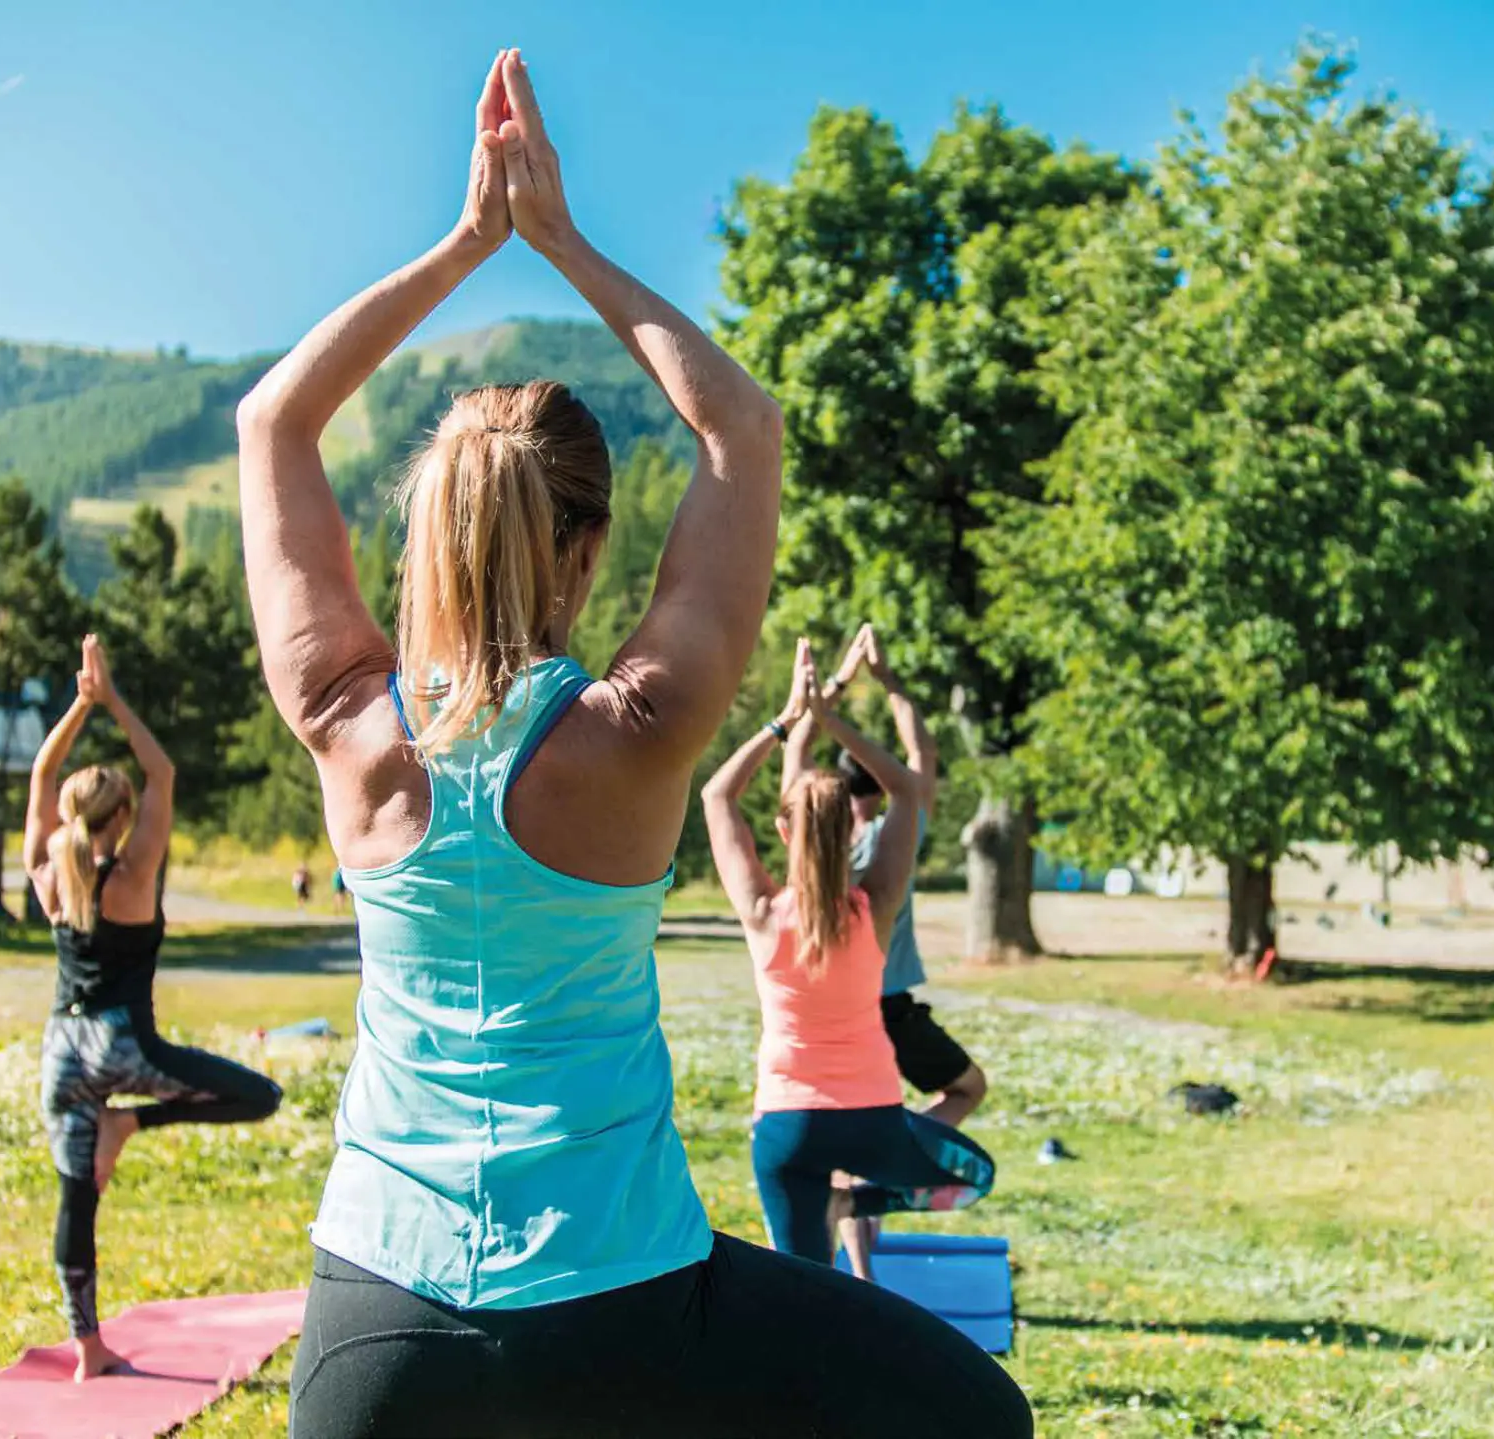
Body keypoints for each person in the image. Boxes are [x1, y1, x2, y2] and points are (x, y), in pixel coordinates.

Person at [240, 49, 1030, 1439]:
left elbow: (275, 421)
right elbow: (742, 425)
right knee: (979, 1414)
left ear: (428, 535)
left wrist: (463, 245)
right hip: (625, 1307)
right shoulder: (640, 732)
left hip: (376, 1329)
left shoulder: (347, 724)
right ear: (593, 549)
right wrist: (562, 241)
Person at [24, 637, 282, 1382]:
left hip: (58, 1051)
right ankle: (128, 1121)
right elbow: (161, 769)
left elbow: (43, 772)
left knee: (77, 1201)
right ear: (124, 815)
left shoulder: (47, 875)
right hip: (119, 1046)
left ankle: (88, 1350)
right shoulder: (134, 875)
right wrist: (111, 700)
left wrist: (78, 704)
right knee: (258, 1095)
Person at [707, 640, 997, 1282]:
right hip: (873, 1125)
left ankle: (804, 1374)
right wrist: (833, 719)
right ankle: (852, 1202)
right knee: (975, 1178)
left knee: (805, 1292)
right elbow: (906, 786)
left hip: (786, 1130)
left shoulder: (762, 913)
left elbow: (717, 797)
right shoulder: (877, 908)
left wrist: (788, 719)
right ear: (851, 832)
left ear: (786, 833)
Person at [786, 623, 988, 1129]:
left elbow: (796, 751)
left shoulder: (810, 841)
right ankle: (886, 1170)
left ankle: (843, 1190)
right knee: (967, 1088)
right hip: (887, 1008)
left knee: (838, 1114)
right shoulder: (899, 837)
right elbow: (923, 756)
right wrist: (887, 680)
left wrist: (832, 686)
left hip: (820, 1008)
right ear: (881, 780)